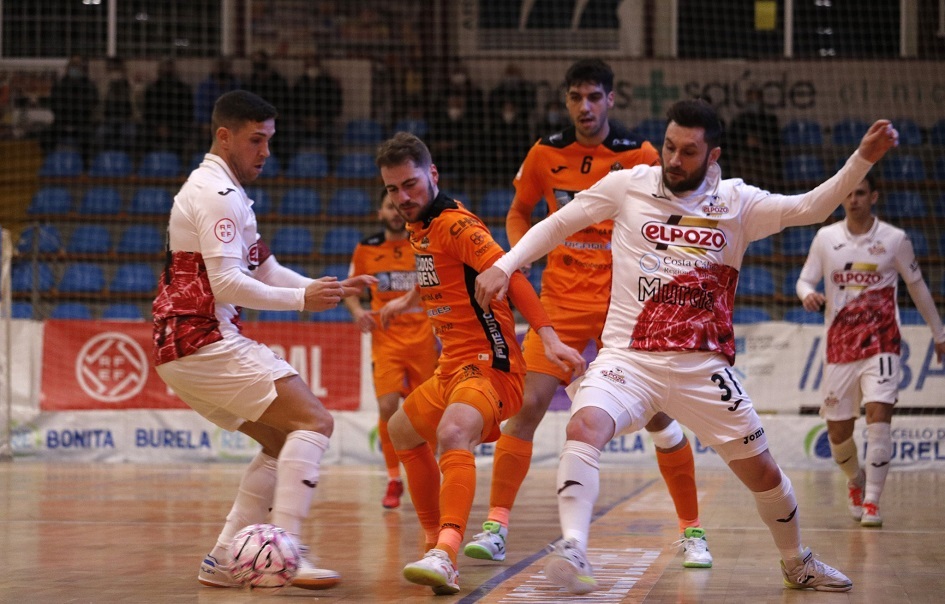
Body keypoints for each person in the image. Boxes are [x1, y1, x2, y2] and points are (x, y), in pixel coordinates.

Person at [475, 99, 900, 594]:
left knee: (764, 473)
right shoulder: (629, 184)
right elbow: (556, 224)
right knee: (584, 424)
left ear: (712, 155)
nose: (674, 160)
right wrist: (505, 265)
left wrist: (863, 158)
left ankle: (797, 561)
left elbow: (811, 208)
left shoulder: (739, 202)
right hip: (630, 359)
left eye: (688, 151)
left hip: (703, 367)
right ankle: (574, 546)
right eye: (670, 147)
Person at [465, 58, 712, 570]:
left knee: (660, 415)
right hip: (560, 302)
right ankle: (495, 526)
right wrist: (519, 257)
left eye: (594, 97)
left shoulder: (641, 155)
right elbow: (518, 210)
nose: (585, 107)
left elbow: (676, 213)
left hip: (626, 306)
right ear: (566, 101)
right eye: (576, 97)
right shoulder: (544, 153)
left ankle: (692, 530)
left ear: (611, 100)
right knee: (528, 406)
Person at [151, 90, 374, 591]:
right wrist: (302, 301)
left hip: (183, 344)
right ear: (224, 136)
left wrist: (328, 288)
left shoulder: (224, 191)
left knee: (279, 441)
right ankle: (287, 549)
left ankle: (223, 559)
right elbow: (228, 284)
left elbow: (266, 270)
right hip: (201, 337)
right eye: (256, 140)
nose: (266, 152)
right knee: (314, 421)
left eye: (269, 140)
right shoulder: (217, 194)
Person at [373, 132, 586, 595]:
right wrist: (407, 300)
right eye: (392, 189)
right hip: (452, 366)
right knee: (401, 431)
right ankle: (434, 543)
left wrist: (548, 338)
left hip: (492, 365)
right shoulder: (421, 225)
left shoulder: (455, 225)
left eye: (410, 184)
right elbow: (441, 272)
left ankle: (446, 552)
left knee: (452, 432)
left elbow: (510, 274)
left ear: (432, 174)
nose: (402, 197)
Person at [795, 172, 945, 528]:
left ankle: (873, 502)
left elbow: (917, 286)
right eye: (849, 194)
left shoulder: (894, 239)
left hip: (882, 342)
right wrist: (807, 295)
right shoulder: (826, 238)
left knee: (879, 417)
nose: (854, 200)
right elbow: (804, 280)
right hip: (840, 346)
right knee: (837, 433)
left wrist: (939, 332)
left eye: (861, 193)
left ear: (873, 197)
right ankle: (855, 480)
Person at [342, 188, 439, 509]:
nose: (395, 212)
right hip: (386, 342)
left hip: (423, 340)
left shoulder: (421, 243)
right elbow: (351, 289)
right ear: (380, 213)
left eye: (399, 206)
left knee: (429, 412)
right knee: (387, 408)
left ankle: (430, 476)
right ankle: (394, 479)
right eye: (389, 206)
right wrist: (358, 312)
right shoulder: (366, 248)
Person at [44, 54, 98, 163]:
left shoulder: (89, 85)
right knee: (46, 134)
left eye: (78, 66)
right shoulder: (60, 84)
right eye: (74, 66)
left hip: (82, 122)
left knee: (90, 137)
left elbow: (93, 103)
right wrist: (63, 117)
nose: (75, 69)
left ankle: (85, 164)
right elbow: (53, 104)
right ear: (68, 67)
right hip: (62, 121)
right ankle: (49, 161)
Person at [288, 55, 342, 162]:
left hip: (324, 124)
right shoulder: (299, 84)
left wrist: (320, 120)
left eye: (314, 64)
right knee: (291, 134)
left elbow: (336, 108)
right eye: (309, 64)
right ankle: (288, 165)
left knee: (332, 135)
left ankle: (332, 167)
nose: (311, 67)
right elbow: (293, 106)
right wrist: (303, 120)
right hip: (302, 125)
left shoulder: (329, 83)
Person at [141, 57, 194, 157]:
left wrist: (171, 127)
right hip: (154, 128)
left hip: (177, 128)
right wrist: (158, 127)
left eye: (169, 67)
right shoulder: (152, 89)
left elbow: (187, 113)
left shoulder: (183, 89)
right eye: (164, 66)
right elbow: (147, 112)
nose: (167, 70)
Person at [193, 57, 241, 147]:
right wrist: (206, 122)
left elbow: (240, 108)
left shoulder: (236, 85)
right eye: (219, 66)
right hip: (210, 123)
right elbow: (200, 107)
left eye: (224, 66)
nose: (221, 68)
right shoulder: (204, 86)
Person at [96, 56, 136, 154]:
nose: (116, 73)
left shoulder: (128, 83)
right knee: (101, 133)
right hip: (108, 120)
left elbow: (134, 103)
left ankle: (126, 157)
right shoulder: (105, 84)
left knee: (130, 133)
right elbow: (100, 101)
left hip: (126, 120)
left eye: (118, 69)